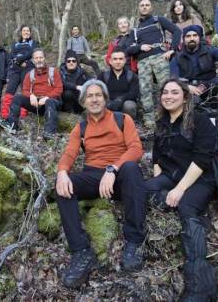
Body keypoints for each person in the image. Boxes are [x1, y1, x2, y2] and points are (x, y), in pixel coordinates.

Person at [55, 79, 147, 288]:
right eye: (90, 96)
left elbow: (135, 149)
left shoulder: (122, 119)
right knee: (62, 185)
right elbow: (70, 153)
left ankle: (134, 242)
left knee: (132, 169)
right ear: (83, 102)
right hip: (94, 177)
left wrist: (113, 169)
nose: (94, 99)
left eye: (98, 95)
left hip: (121, 175)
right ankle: (81, 251)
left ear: (105, 99)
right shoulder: (81, 127)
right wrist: (62, 172)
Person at [145, 79, 218, 301]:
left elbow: (202, 159)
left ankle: (201, 285)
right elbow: (157, 152)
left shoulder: (200, 121)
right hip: (170, 175)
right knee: (142, 190)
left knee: (186, 207)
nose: (168, 96)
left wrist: (179, 190)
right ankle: (169, 200)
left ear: (185, 97)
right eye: (165, 92)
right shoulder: (162, 122)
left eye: (174, 92)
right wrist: (158, 171)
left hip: (199, 179)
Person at [170, 25, 218, 109]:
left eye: (195, 35)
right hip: (188, 91)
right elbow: (174, 80)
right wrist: (187, 87)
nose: (192, 38)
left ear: (199, 37)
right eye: (188, 36)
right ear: (184, 39)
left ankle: (214, 110)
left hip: (208, 87)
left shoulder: (210, 50)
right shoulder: (177, 58)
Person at [134, 0, 181, 130]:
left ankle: (170, 116)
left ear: (151, 7)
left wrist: (172, 49)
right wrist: (139, 48)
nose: (144, 7)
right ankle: (150, 122)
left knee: (166, 87)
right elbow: (132, 46)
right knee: (145, 90)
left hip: (159, 58)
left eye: (147, 5)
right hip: (142, 61)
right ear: (139, 8)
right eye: (142, 5)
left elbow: (177, 31)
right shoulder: (136, 27)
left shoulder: (158, 20)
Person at [0, 49, 63, 140]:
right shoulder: (30, 74)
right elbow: (25, 89)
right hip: (36, 103)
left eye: (41, 57)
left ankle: (49, 133)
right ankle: (12, 125)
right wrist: (31, 95)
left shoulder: (54, 72)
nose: (39, 60)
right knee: (17, 98)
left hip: (52, 102)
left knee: (50, 102)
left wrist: (47, 97)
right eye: (36, 58)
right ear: (33, 60)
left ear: (44, 58)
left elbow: (59, 89)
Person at [100, 50, 140, 120]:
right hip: (109, 104)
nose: (118, 62)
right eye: (115, 59)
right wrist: (109, 102)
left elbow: (134, 94)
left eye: (121, 59)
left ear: (125, 61)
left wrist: (121, 99)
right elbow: (98, 92)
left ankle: (128, 123)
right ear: (110, 61)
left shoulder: (132, 76)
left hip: (125, 103)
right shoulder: (103, 76)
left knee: (129, 106)